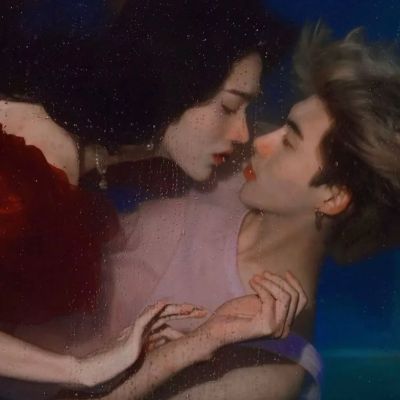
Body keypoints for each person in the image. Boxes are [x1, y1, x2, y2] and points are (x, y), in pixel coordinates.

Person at [0, 0, 303, 397]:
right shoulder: (32, 164)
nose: (242, 134)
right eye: (229, 106)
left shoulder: (88, 152)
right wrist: (82, 370)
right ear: (177, 85)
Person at [98, 25, 400, 399]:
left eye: (289, 140)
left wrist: (191, 347)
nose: (260, 140)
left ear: (333, 197)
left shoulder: (269, 370)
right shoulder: (241, 169)